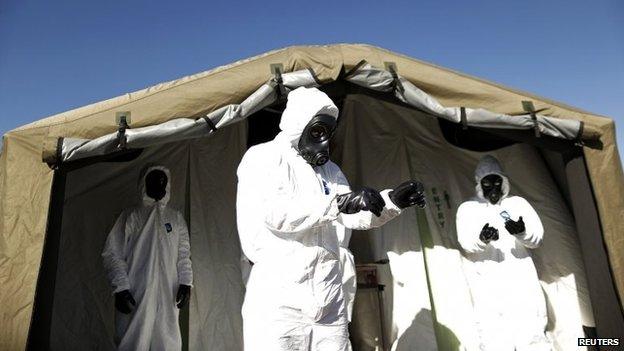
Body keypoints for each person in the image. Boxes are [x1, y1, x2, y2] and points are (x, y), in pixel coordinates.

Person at [236, 87, 426, 351]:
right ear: (297, 125)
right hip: (280, 297)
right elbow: (276, 214)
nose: (324, 142)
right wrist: (338, 203)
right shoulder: (264, 158)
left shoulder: (331, 171)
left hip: (329, 296)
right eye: (317, 132)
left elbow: (352, 217)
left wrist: (392, 201)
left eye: (328, 133)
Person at [456, 155, 550, 351]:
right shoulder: (468, 209)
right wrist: (482, 239)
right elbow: (465, 242)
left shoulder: (518, 204)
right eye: (487, 183)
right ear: (480, 184)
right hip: (487, 282)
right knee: (493, 335)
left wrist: (522, 233)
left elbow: (537, 238)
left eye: (497, 181)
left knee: (531, 329)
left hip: (521, 278)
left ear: (504, 181)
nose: (493, 187)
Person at [102, 165, 193, 351]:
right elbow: (113, 253)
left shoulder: (175, 218)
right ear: (144, 184)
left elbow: (184, 254)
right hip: (137, 291)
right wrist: (121, 287)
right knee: (133, 341)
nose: (159, 185)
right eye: (154, 181)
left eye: (162, 181)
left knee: (168, 341)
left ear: (167, 185)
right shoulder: (131, 216)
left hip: (169, 292)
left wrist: (186, 283)